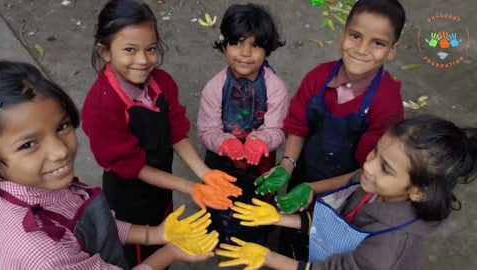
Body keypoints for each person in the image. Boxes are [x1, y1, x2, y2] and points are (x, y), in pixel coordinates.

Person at [0, 60, 220, 270]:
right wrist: (170, 252)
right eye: (28, 144)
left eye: (62, 126)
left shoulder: (41, 183)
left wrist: (158, 235)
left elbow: (98, 227)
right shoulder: (45, 256)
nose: (60, 151)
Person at [81, 0, 241, 266]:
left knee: (165, 227)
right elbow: (133, 167)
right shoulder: (102, 107)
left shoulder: (162, 82)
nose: (143, 60)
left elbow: (176, 132)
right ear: (105, 51)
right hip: (128, 197)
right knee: (139, 252)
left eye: (151, 49)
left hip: (161, 184)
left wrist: (205, 174)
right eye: (130, 50)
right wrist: (191, 187)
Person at [216, 114, 477, 270]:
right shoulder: (373, 186)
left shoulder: (392, 243)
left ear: (418, 191)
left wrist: (269, 257)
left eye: (385, 168)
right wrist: (278, 218)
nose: (368, 165)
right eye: (375, 151)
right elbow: (337, 227)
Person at [254, 0, 406, 259]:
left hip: (347, 190)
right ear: (343, 34)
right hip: (303, 172)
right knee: (292, 234)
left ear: (392, 50)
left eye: (377, 43)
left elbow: (368, 170)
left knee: (325, 244)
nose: (361, 49)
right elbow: (298, 127)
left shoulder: (387, 102)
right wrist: (287, 166)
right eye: (355, 36)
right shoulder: (317, 77)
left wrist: (315, 188)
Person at [197, 3, 288, 244]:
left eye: (255, 45)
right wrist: (224, 142)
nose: (245, 53)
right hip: (222, 164)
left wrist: (262, 140)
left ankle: (254, 241)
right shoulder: (214, 88)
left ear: (267, 49)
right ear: (223, 43)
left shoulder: (275, 88)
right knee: (221, 207)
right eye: (237, 43)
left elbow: (277, 131)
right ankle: (218, 239)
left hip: (260, 167)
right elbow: (206, 131)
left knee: (255, 210)